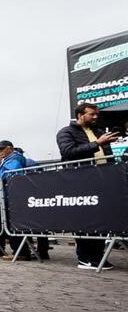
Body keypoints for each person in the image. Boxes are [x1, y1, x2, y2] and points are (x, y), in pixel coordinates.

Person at [57, 103, 120, 269]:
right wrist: (97, 143)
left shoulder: (98, 132)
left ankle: (98, 257)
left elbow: (107, 155)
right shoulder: (66, 132)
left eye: (96, 114)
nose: (95, 117)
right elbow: (68, 152)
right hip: (80, 181)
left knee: (101, 220)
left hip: (104, 179)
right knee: (85, 220)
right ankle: (85, 258)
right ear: (79, 115)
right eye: (91, 114)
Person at [0, 141, 48, 260]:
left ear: (10, 148)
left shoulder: (14, 159)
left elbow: (9, 174)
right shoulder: (12, 159)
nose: (0, 152)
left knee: (15, 225)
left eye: (2, 149)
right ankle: (27, 251)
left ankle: (21, 252)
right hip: (18, 196)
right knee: (19, 226)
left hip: (14, 197)